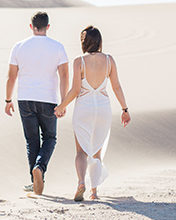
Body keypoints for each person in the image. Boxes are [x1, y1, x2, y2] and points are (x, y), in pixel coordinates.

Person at [54, 25, 130, 201]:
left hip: (83, 109)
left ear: (83, 42)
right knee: (96, 152)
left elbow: (74, 90)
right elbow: (116, 86)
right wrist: (125, 109)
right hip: (103, 109)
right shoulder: (109, 60)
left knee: (81, 151)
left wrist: (61, 106)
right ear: (99, 41)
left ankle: (81, 182)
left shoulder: (79, 61)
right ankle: (94, 192)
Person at [5, 12, 69, 195]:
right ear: (48, 27)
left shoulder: (19, 46)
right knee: (49, 138)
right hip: (49, 99)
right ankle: (39, 169)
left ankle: (35, 181)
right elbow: (64, 75)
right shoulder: (57, 47)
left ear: (31, 26)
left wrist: (8, 99)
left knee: (32, 140)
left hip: (25, 98)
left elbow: (11, 77)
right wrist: (63, 102)